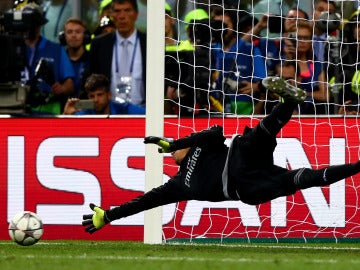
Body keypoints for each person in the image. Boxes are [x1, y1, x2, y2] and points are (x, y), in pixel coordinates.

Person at [82, 76, 360, 234]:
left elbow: (211, 133)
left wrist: (174, 141)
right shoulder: (177, 185)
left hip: (241, 157)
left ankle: (288, 102)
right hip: (246, 188)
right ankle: (358, 166)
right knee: (303, 179)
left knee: (257, 137)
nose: (172, 154)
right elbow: (145, 201)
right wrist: (109, 215)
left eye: (175, 150)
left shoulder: (206, 142)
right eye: (170, 153)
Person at [18, 3, 75, 115]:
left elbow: (70, 84)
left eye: (32, 24)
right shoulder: (14, 48)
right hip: (19, 108)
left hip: (48, 110)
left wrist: (62, 88)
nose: (29, 28)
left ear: (40, 25)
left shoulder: (56, 49)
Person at [88, 0, 146, 107]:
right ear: (111, 15)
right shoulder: (99, 44)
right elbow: (90, 80)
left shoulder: (149, 42)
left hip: (144, 112)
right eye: (117, 11)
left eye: (127, 11)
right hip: (109, 113)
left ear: (136, 14)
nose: (122, 16)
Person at [211, 6, 266, 115]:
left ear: (235, 26)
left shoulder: (250, 49)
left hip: (245, 109)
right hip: (214, 107)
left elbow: (264, 81)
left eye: (225, 25)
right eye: (217, 25)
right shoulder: (210, 50)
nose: (221, 30)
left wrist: (255, 86)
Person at [63, 73, 145, 115]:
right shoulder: (85, 114)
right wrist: (66, 115)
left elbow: (149, 114)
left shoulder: (123, 109)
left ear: (109, 95)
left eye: (100, 95)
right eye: (92, 96)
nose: (95, 100)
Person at [60, 18, 91, 98]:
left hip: (87, 107)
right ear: (63, 37)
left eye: (78, 32)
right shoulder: (58, 60)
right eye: (69, 32)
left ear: (85, 36)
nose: (74, 35)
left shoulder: (93, 59)